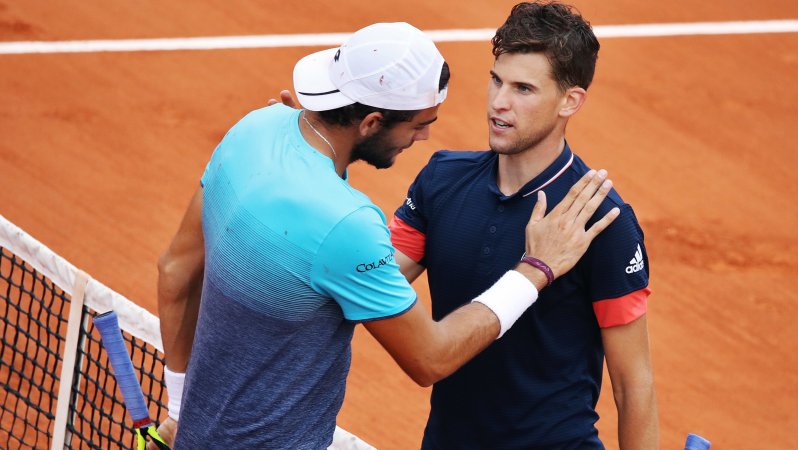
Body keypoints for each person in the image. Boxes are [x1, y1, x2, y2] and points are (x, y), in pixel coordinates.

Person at [152, 21, 619, 449]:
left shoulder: (254, 128)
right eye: (417, 126)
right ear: (372, 122)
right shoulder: (346, 224)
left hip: (196, 432)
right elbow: (430, 358)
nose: (422, 140)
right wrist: (534, 270)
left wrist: (178, 408)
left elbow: (175, 271)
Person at [388, 2, 659, 449]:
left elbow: (635, 385)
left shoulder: (599, 219)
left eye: (524, 89)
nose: (499, 102)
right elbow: (372, 279)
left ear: (569, 101)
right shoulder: (441, 180)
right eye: (496, 80)